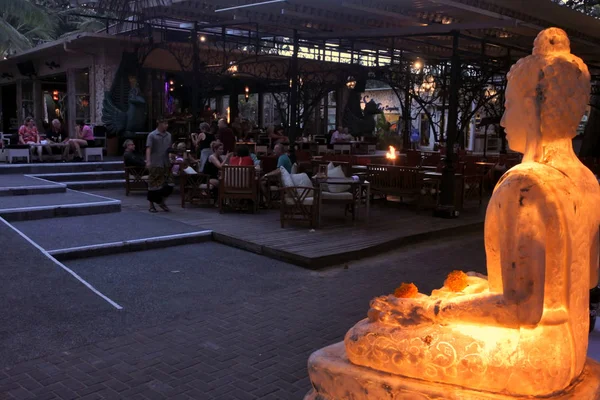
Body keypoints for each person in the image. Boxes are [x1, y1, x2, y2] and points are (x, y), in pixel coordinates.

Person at [343, 28, 600, 397]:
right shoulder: (587, 181)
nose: (504, 121)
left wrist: (429, 311)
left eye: (509, 106)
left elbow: (522, 309)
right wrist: (471, 291)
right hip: (572, 345)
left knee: (362, 337)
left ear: (538, 104)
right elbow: (582, 282)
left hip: (536, 358)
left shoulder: (525, 185)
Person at [146, 117, 173, 213]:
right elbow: (148, 148)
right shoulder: (152, 135)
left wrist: (171, 156)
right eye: (165, 123)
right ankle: (151, 205)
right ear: (160, 124)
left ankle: (161, 201)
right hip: (155, 162)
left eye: (167, 123)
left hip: (166, 162)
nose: (167, 125)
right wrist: (148, 160)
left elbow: (169, 148)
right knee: (153, 184)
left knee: (169, 184)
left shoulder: (168, 135)